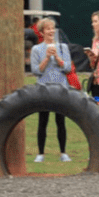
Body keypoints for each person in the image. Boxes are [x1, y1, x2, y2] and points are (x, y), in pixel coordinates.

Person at [30, 18, 71, 162]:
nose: (51, 31)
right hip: (44, 88)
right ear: (42, 32)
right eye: (48, 29)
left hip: (60, 87)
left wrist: (58, 58)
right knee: (43, 121)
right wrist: (47, 58)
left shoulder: (63, 47)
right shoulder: (36, 49)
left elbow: (67, 68)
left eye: (53, 28)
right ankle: (41, 153)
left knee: (61, 121)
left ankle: (63, 153)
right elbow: (36, 71)